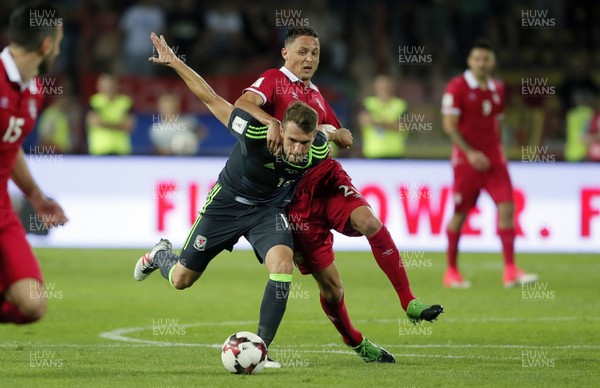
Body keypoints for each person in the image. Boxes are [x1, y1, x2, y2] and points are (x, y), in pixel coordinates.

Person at [134, 33, 351, 366]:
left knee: (281, 267)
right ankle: (161, 254)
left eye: (304, 143)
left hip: (269, 209)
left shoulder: (316, 149)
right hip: (228, 204)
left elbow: (332, 136)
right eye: (292, 140)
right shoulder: (252, 132)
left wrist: (333, 133)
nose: (297, 150)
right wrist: (176, 63)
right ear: (280, 130)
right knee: (181, 279)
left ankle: (261, 351)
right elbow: (210, 98)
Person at [235, 26, 443, 363]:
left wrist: (340, 134)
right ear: (286, 53)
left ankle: (409, 302)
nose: (309, 58)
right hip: (294, 198)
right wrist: (269, 122)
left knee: (370, 222)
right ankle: (357, 342)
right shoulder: (274, 79)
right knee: (332, 288)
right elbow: (243, 104)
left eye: (315, 52)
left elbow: (338, 133)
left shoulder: (316, 94)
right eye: (302, 51)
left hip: (327, 179)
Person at [441, 39, 538, 288]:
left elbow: (497, 121)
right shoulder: (456, 87)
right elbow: (449, 127)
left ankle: (510, 270)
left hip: (494, 158)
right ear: (470, 61)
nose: (482, 63)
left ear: (492, 62)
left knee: (507, 207)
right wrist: (470, 153)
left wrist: (499, 148)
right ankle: (451, 271)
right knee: (460, 214)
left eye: (486, 59)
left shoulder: (497, 88)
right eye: (477, 59)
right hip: (466, 160)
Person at [0, 2, 68, 324]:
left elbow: (10, 149)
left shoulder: (35, 89)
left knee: (31, 305)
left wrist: (36, 196)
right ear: (46, 45)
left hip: (2, 210)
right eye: (59, 41)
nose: (59, 48)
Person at [358, 74, 408, 158]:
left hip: (395, 153)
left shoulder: (400, 104)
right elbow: (364, 121)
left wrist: (375, 121)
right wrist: (390, 124)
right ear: (375, 88)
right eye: (380, 87)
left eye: (386, 87)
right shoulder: (367, 103)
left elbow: (401, 126)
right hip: (373, 153)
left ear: (392, 87)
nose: (384, 89)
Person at [86, 73, 135, 155]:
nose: (108, 88)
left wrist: (104, 123)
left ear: (116, 85)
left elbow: (129, 126)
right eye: (105, 85)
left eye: (110, 85)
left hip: (121, 150)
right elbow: (95, 122)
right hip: (99, 150)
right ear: (99, 86)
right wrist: (119, 125)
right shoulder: (94, 101)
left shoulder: (125, 102)